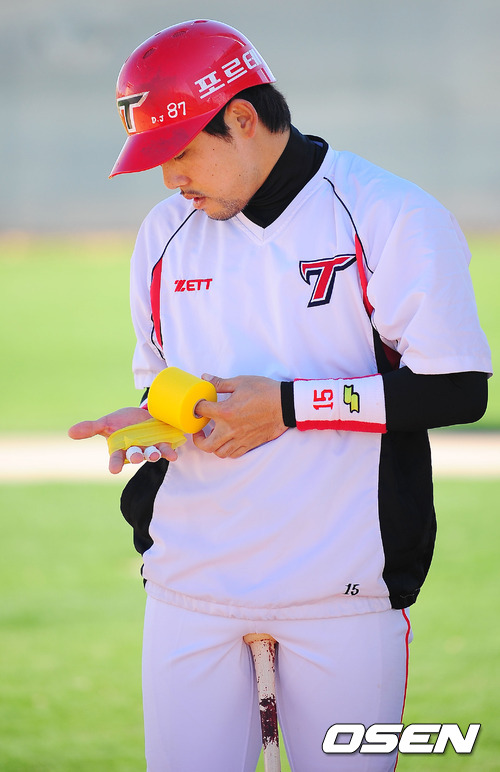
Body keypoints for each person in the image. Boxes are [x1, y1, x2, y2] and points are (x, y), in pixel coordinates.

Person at [69, 19, 492, 771]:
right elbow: (170, 381)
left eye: (181, 153)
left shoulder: (390, 213)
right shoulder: (164, 234)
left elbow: (456, 389)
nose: (170, 180)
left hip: (343, 592)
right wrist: (159, 419)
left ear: (241, 118)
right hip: (189, 587)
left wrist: (290, 407)